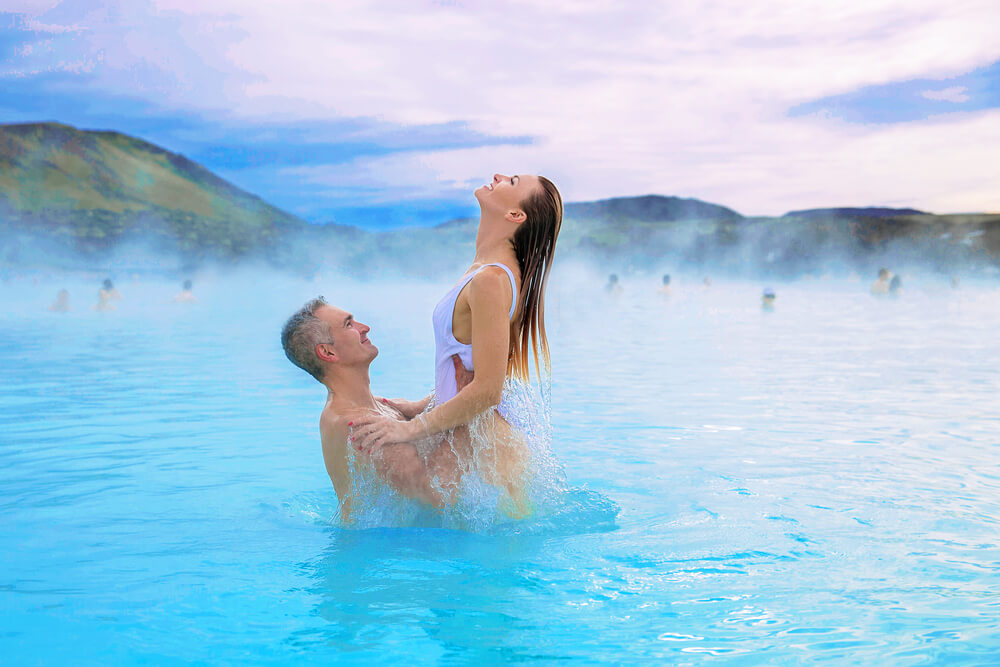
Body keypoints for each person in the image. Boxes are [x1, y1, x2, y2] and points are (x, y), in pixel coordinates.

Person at [351, 173, 563, 511]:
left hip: (485, 450)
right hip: (478, 444)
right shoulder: (489, 272)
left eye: (511, 181)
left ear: (515, 215)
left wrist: (410, 430)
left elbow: (488, 390)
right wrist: (422, 406)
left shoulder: (491, 279)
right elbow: (469, 365)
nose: (498, 176)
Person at [280, 297, 474, 522]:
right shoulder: (359, 427)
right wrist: (468, 405)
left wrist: (436, 401)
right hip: (390, 543)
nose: (365, 327)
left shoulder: (374, 407)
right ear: (328, 352)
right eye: (349, 324)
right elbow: (439, 496)